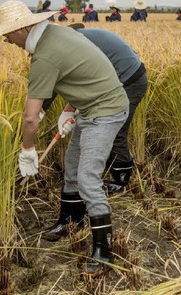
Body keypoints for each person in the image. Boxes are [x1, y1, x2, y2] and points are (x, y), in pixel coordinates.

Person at [0, 0, 129, 274]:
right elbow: (81, 71)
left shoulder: (44, 55)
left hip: (105, 112)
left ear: (22, 28)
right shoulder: (58, 32)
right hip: (90, 107)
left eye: (7, 34)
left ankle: (104, 251)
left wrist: (27, 149)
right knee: (71, 168)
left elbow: (30, 117)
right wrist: (71, 107)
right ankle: (69, 222)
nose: (7, 40)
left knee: (88, 179)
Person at [43, 22, 147, 195]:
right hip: (124, 76)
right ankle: (106, 167)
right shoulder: (83, 37)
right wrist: (70, 109)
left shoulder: (78, 43)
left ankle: (122, 179)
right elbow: (84, 80)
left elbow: (81, 78)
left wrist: (39, 110)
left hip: (129, 81)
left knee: (115, 130)